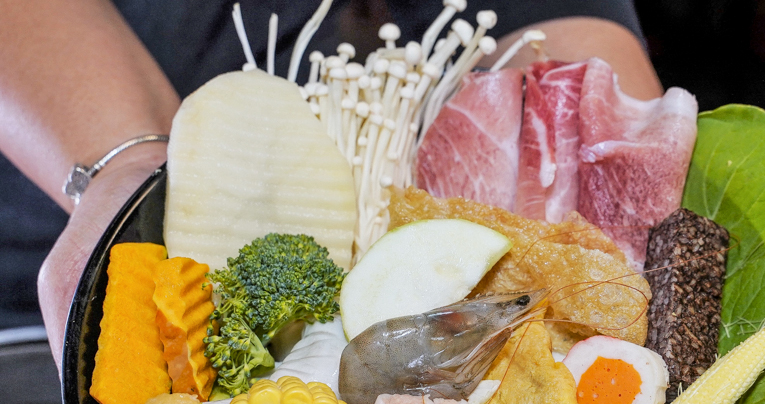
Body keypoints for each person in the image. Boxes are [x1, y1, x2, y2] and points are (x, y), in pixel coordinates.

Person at [0, 0, 662, 368]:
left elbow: (564, 21)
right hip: (60, 202)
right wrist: (126, 170)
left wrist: (611, 177)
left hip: (380, 161)